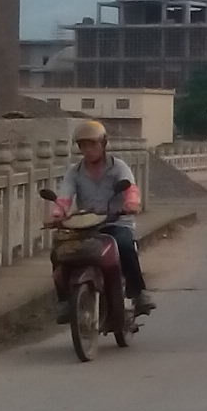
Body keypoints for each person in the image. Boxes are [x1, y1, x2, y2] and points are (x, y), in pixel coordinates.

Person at [53, 122, 155, 313]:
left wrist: (131, 204)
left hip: (116, 222)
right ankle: (65, 300)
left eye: (93, 144)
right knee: (59, 252)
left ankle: (138, 293)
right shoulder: (74, 172)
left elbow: (131, 189)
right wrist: (58, 213)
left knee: (125, 246)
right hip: (86, 226)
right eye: (83, 145)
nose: (88, 150)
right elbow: (64, 196)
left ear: (103, 144)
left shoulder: (119, 167)